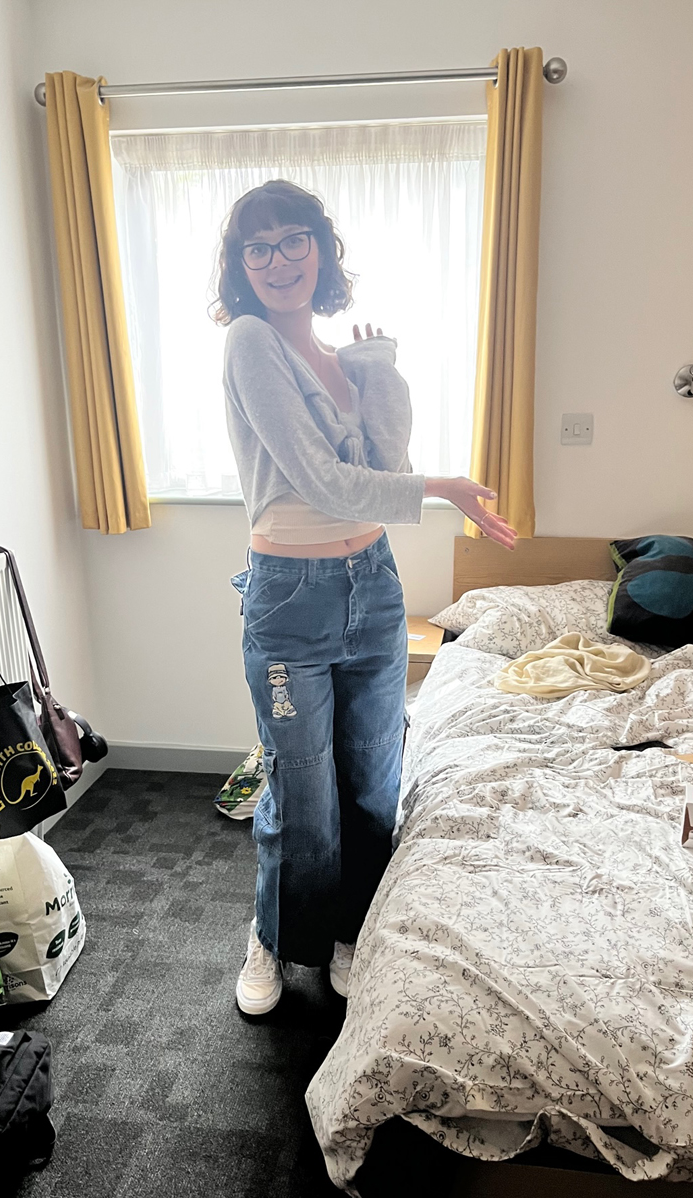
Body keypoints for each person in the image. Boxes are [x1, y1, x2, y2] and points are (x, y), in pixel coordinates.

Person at [213, 179, 516, 1015]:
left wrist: (379, 372)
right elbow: (321, 480)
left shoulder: (341, 361)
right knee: (300, 791)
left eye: (294, 239)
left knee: (373, 784)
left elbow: (381, 460)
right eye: (259, 246)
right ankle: (273, 936)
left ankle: (349, 930)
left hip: (373, 587)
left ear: (321, 248)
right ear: (242, 265)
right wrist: (445, 487)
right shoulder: (248, 341)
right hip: (290, 597)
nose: (279, 260)